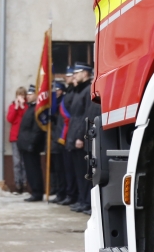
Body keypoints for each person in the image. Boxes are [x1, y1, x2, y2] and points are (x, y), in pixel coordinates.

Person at [65, 62, 94, 214]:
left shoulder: (88, 91)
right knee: (78, 172)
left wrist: (81, 136)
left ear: (85, 73)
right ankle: (82, 200)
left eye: (77, 73)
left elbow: (86, 116)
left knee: (85, 173)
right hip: (74, 135)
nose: (74, 76)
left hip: (81, 136)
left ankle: (87, 202)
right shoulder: (78, 92)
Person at [15, 85, 45, 202]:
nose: (28, 96)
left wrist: (31, 144)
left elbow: (37, 129)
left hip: (31, 146)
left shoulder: (37, 109)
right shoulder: (30, 108)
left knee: (34, 170)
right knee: (30, 170)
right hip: (25, 145)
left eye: (31, 94)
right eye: (27, 94)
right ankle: (34, 191)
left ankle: (37, 192)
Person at [55, 68, 78, 206]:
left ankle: (73, 195)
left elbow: (72, 116)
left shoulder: (74, 92)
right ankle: (69, 194)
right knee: (66, 169)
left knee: (72, 170)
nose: (68, 78)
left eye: (71, 76)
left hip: (71, 134)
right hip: (65, 135)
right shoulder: (70, 92)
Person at [6, 86, 28, 194]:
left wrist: (23, 106)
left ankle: (25, 185)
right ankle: (17, 185)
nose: (21, 97)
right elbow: (10, 119)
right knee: (17, 162)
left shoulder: (27, 106)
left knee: (24, 162)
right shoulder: (12, 106)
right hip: (15, 137)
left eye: (23, 95)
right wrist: (16, 107)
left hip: (24, 137)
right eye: (19, 95)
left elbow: (27, 118)